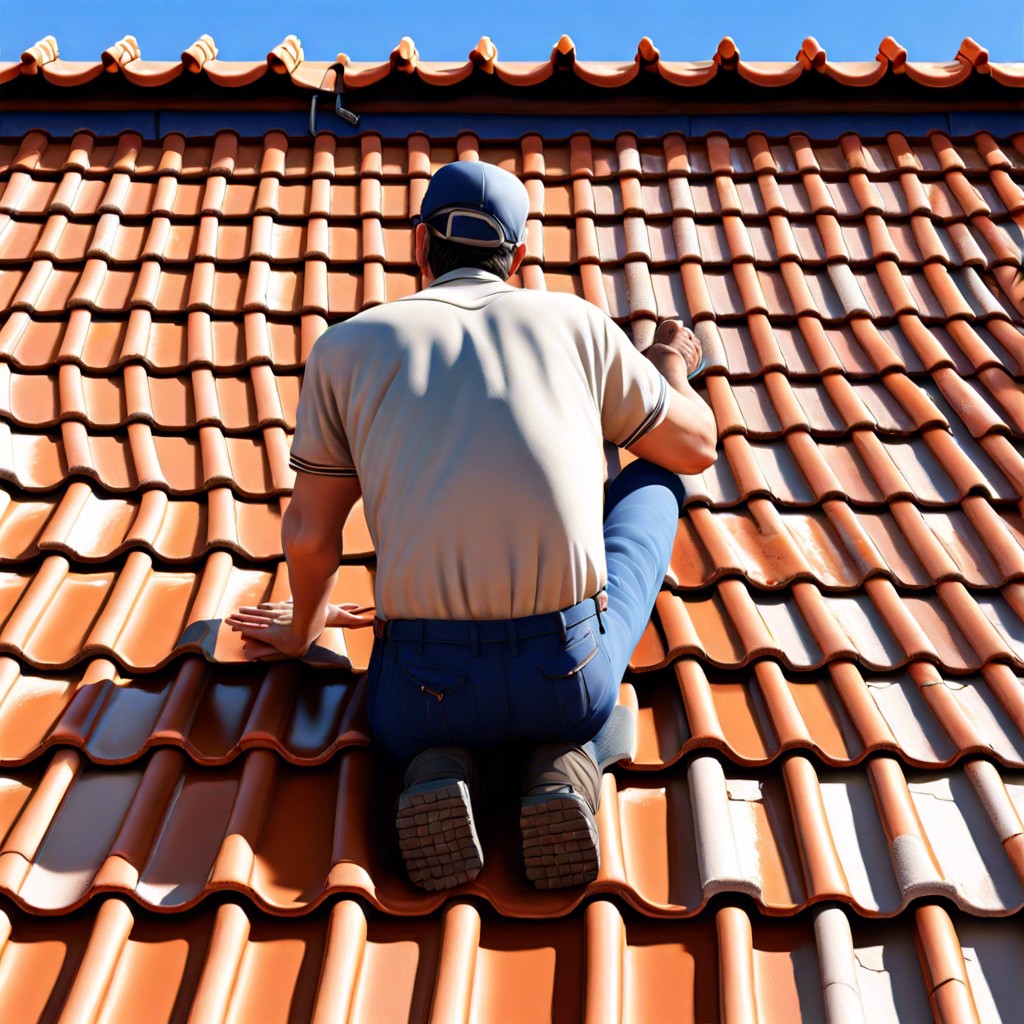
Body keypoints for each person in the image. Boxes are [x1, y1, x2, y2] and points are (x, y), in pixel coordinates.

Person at [227, 161, 717, 892]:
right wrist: (669, 366)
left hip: (420, 692)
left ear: (420, 244)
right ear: (518, 257)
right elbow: (697, 445)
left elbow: (309, 534)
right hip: (565, 674)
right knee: (654, 477)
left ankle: (436, 767)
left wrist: (303, 630)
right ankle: (563, 761)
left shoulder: (346, 348)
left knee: (427, 721)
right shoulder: (577, 322)